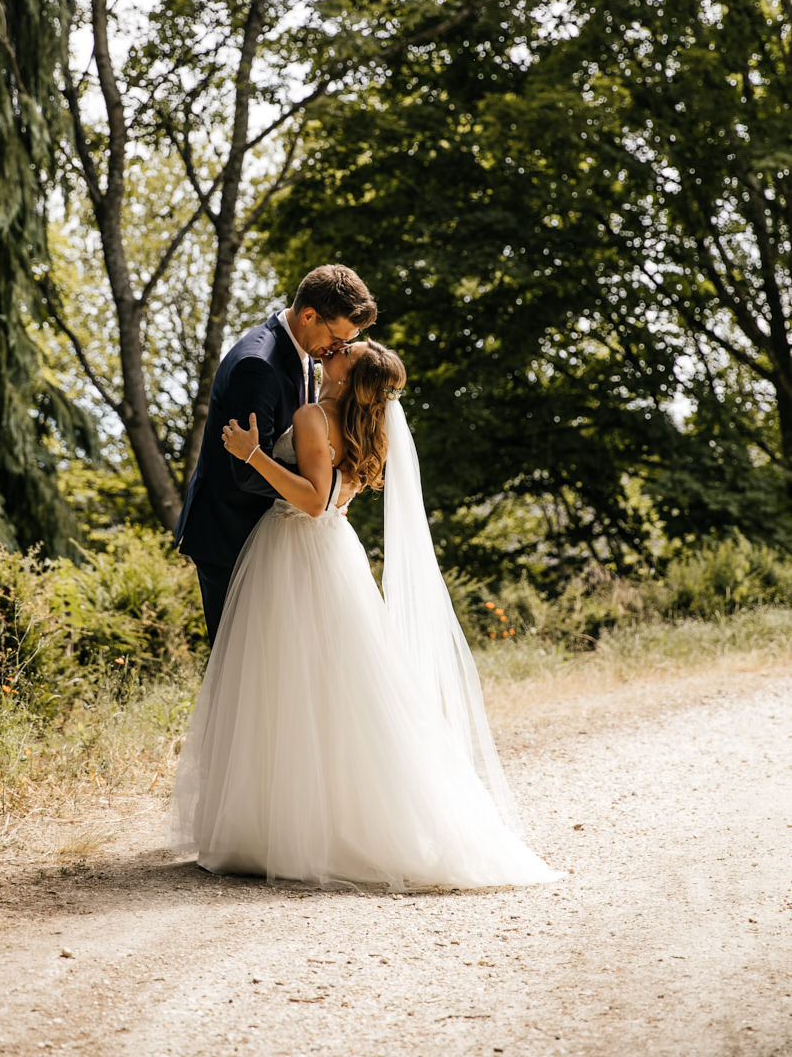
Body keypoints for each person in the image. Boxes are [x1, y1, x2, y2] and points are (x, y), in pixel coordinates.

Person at [168, 338, 562, 891]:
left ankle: (284, 827)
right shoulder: (356, 423)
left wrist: (252, 454)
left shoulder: (312, 415)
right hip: (334, 553)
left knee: (289, 685)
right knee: (331, 688)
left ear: (352, 377)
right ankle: (312, 821)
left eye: (349, 352)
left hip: (295, 549)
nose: (338, 349)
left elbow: (313, 499)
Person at [175, 264, 377, 644]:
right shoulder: (259, 365)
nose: (336, 350)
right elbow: (246, 470)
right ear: (309, 315)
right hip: (232, 535)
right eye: (336, 338)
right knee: (238, 667)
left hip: (275, 537)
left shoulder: (302, 354)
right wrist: (326, 493)